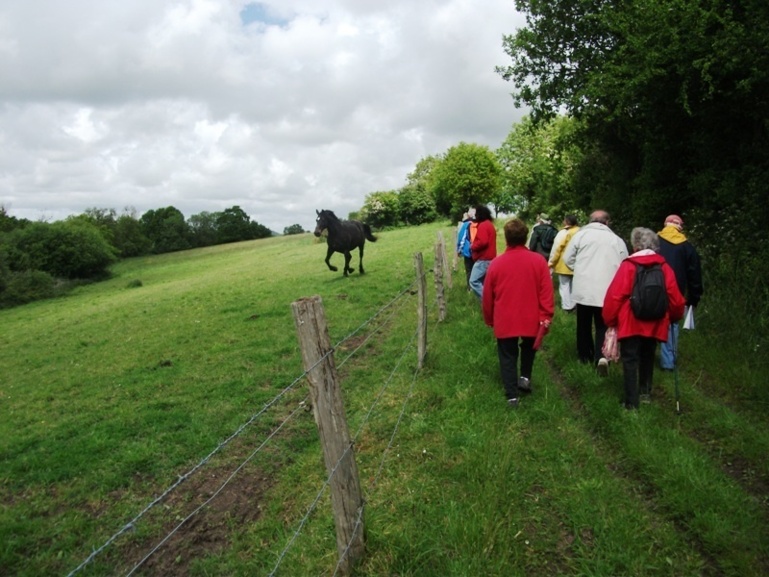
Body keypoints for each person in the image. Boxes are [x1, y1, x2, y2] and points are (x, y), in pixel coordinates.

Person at [603, 228, 686, 409]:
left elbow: (615, 295)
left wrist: (610, 320)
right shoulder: (664, 267)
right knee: (648, 355)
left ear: (635, 245)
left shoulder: (629, 265)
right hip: (655, 321)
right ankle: (645, 392)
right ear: (655, 246)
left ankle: (631, 402)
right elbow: (676, 299)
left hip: (631, 320)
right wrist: (673, 317)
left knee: (630, 358)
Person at [483, 218, 555, 408]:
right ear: (525, 238)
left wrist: (489, 318)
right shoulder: (538, 261)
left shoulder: (496, 264)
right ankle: (524, 377)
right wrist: (546, 315)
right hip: (531, 316)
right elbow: (546, 292)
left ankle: (512, 396)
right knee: (529, 348)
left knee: (507, 354)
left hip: (505, 317)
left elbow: (487, 296)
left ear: (506, 239)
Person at [563, 210, 628, 373]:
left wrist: (578, 270)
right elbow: (624, 263)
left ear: (590, 221)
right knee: (603, 324)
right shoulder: (616, 240)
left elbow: (567, 259)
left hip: (583, 287)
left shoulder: (580, 236)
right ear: (607, 222)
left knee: (583, 323)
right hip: (607, 289)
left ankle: (584, 355)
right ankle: (601, 356)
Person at [657, 214, 703, 370]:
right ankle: (668, 362)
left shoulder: (653, 242)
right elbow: (694, 275)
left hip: (651, 290)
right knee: (671, 324)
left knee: (649, 322)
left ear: (665, 225)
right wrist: (693, 298)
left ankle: (644, 359)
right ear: (680, 227)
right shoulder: (687, 247)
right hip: (675, 293)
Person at [548, 214, 580, 312]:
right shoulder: (581, 231)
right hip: (578, 263)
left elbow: (557, 249)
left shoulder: (564, 233)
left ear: (566, 222)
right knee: (575, 285)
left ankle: (567, 306)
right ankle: (575, 304)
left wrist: (551, 263)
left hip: (564, 264)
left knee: (564, 285)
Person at [469, 205, 497, 299]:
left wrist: (472, 246)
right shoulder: (489, 224)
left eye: (476, 214)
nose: (475, 216)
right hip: (489, 257)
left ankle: (488, 301)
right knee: (484, 282)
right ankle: (490, 305)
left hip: (483, 258)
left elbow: (482, 241)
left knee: (473, 281)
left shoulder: (483, 225)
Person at [456, 211, 474, 290]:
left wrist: (459, 250)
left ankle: (469, 288)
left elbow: (461, 239)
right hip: (477, 251)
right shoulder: (478, 224)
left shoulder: (465, 225)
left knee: (469, 270)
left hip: (468, 251)